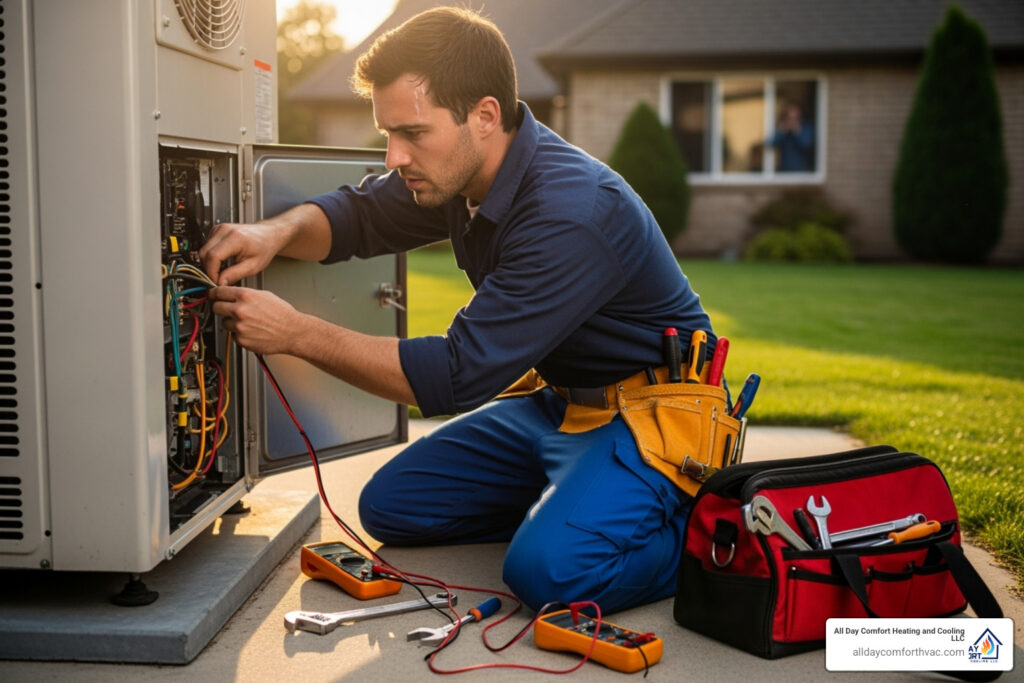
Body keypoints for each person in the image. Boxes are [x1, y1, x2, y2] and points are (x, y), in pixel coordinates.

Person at [200, 6, 716, 614]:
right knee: (393, 505)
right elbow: (357, 217)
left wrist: (295, 332)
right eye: (388, 133)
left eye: (412, 133)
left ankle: (695, 532)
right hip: (563, 405)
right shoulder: (459, 174)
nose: (394, 156)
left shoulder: (571, 212)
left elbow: (455, 374)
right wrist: (273, 234)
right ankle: (575, 502)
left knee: (547, 576)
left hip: (649, 417)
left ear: (485, 115)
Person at [769, 102, 815, 172]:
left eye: (794, 117)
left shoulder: (806, 127)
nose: (792, 120)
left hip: (802, 171)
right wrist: (781, 131)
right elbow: (771, 143)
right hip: (785, 171)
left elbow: (808, 145)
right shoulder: (783, 128)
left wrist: (797, 132)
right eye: (790, 117)